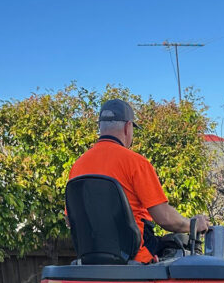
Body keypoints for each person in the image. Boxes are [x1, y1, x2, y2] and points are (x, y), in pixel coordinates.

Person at [68, 99, 211, 263]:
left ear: (100, 127)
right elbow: (165, 219)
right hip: (135, 259)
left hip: (90, 261)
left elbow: (71, 220)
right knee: (180, 247)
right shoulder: (136, 163)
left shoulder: (77, 166)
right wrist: (192, 224)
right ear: (128, 127)